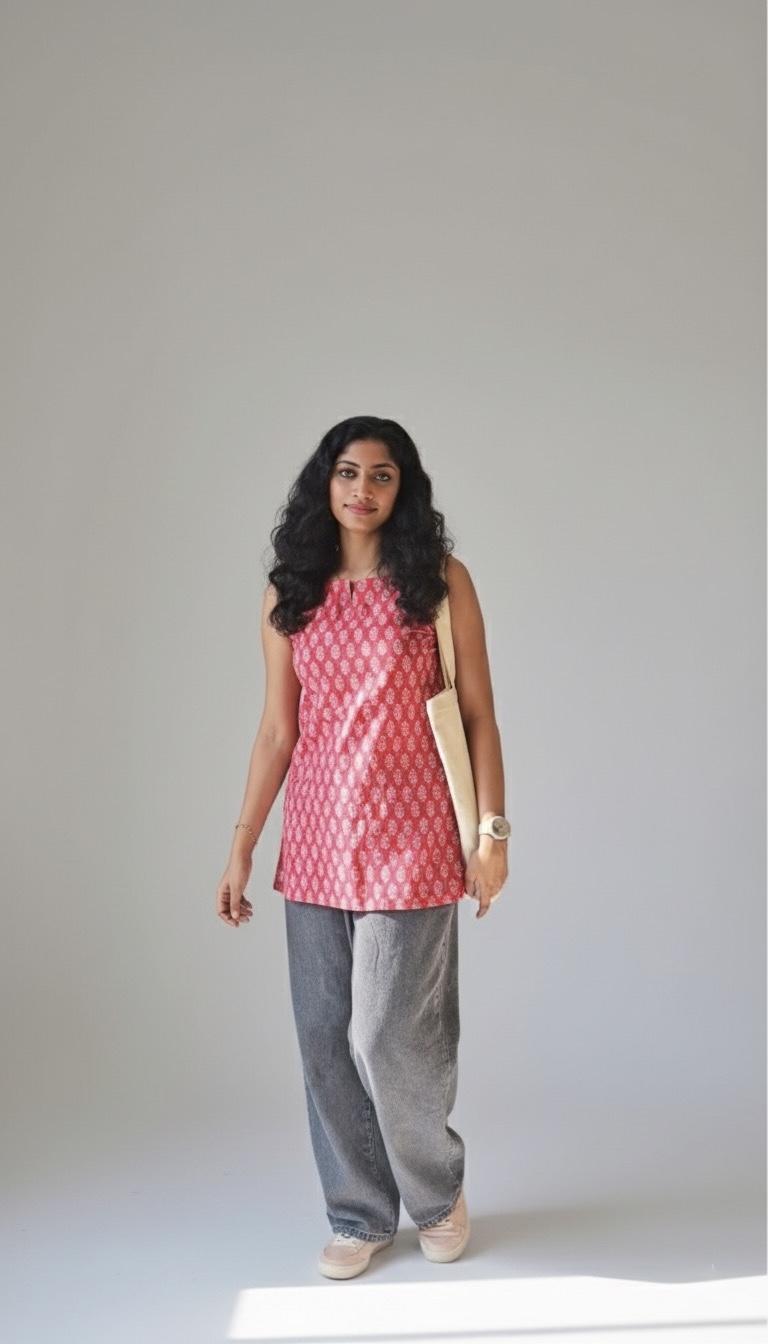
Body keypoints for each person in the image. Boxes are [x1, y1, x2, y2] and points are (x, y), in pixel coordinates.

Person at [215, 415, 509, 1279]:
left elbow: (480, 716)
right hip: (315, 842)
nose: (362, 489)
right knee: (322, 1036)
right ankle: (358, 1211)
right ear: (325, 481)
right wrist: (242, 845)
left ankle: (437, 1194)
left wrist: (492, 832)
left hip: (415, 839)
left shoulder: (439, 582)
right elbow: (278, 731)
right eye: (348, 472)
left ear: (402, 487)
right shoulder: (291, 594)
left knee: (388, 1034)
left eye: (382, 474)